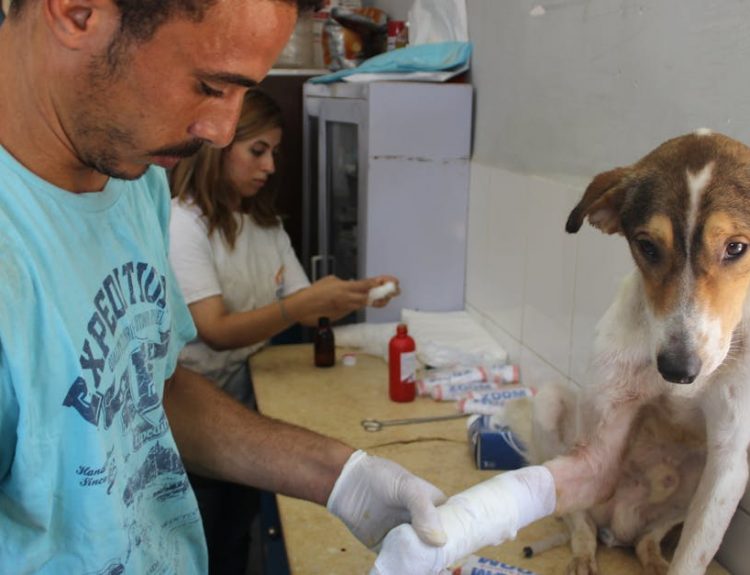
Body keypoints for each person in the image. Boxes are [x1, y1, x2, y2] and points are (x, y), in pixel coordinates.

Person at [0, 1, 447, 573]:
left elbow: (149, 391)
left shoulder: (134, 177)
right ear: (78, 11)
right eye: (210, 85)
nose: (221, 133)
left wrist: (340, 476)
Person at [168, 88, 399, 573]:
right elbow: (215, 329)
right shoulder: (183, 224)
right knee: (208, 542)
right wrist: (303, 304)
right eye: (258, 151)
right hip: (191, 417)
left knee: (234, 529)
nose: (270, 166)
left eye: (274, 152)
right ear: (218, 146)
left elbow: (308, 310)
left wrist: (355, 294)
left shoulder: (265, 225)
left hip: (245, 406)